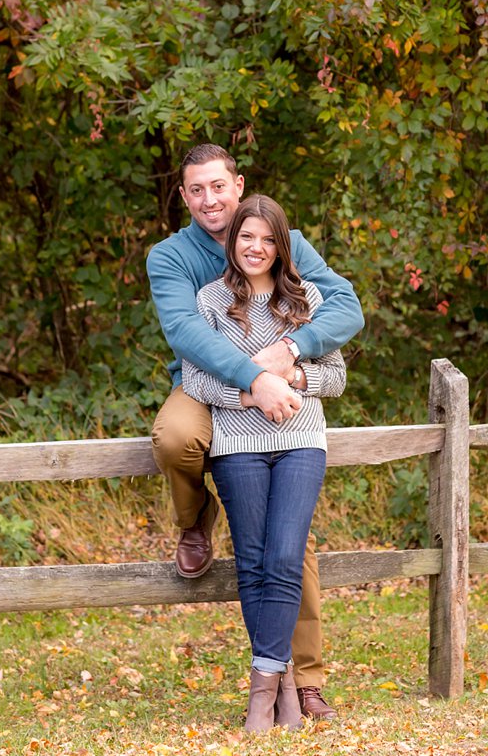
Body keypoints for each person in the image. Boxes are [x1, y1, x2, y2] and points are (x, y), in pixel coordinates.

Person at [144, 143, 363, 721]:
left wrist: (292, 352)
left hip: (284, 403)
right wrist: (252, 383)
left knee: (292, 542)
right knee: (174, 438)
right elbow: (189, 339)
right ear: (184, 195)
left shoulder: (278, 237)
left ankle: (303, 679)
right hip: (209, 387)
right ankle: (195, 520)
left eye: (218, 186)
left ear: (237, 185)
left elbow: (343, 306)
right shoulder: (171, 258)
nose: (209, 199)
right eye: (196, 189)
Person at [181, 194, 347, 731]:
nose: (256, 247)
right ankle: (275, 695)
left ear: (282, 246)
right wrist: (251, 395)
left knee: (283, 556)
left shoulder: (307, 301)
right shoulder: (208, 303)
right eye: (246, 237)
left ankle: (267, 689)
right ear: (233, 242)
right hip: (236, 445)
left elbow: (336, 378)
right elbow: (197, 380)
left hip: (301, 440)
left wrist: (294, 378)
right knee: (252, 563)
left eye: (268, 239)